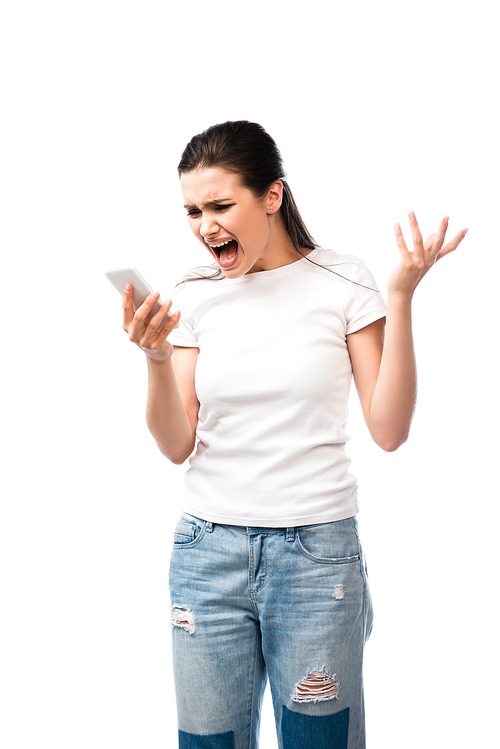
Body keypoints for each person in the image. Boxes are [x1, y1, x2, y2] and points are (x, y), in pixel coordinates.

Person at [122, 121, 467, 749]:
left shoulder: (345, 281)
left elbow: (388, 430)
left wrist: (402, 296)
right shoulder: (194, 292)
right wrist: (154, 360)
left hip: (316, 562)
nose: (206, 226)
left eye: (222, 206)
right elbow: (177, 444)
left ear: (272, 197)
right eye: (194, 210)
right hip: (207, 557)